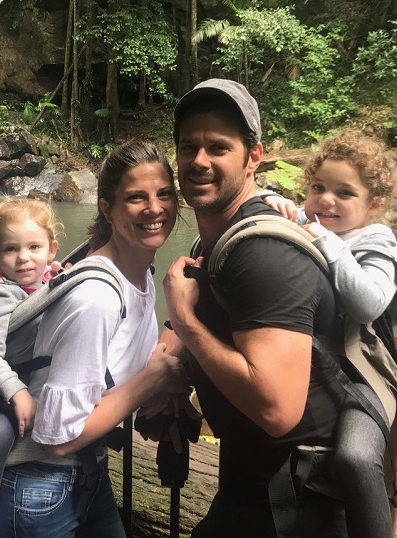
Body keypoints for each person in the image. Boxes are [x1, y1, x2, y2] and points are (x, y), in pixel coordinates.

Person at [162, 78, 350, 537]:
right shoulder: (217, 240)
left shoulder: (263, 253)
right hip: (255, 484)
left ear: (253, 156)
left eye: (218, 147)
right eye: (189, 147)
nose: (199, 161)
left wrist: (186, 323)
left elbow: (276, 407)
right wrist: (166, 368)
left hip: (297, 502)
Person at [0, 139, 190, 538]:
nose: (155, 208)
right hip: (38, 487)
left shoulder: (141, 274)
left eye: (164, 194)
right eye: (136, 197)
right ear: (107, 208)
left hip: (86, 475)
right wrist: (151, 380)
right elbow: (56, 438)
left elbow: (111, 371)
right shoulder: (96, 297)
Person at [262, 131, 397, 538]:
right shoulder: (306, 223)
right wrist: (273, 204)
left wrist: (325, 239)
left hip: (366, 380)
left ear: (374, 204)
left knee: (356, 458)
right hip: (318, 374)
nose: (326, 200)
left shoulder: (375, 238)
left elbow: (369, 303)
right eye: (318, 187)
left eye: (344, 192)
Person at [0, 198, 60, 538]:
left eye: (34, 247)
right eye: (11, 249)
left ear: (51, 250)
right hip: (2, 390)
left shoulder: (48, 278)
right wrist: (15, 391)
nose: (23, 258)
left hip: (38, 384)